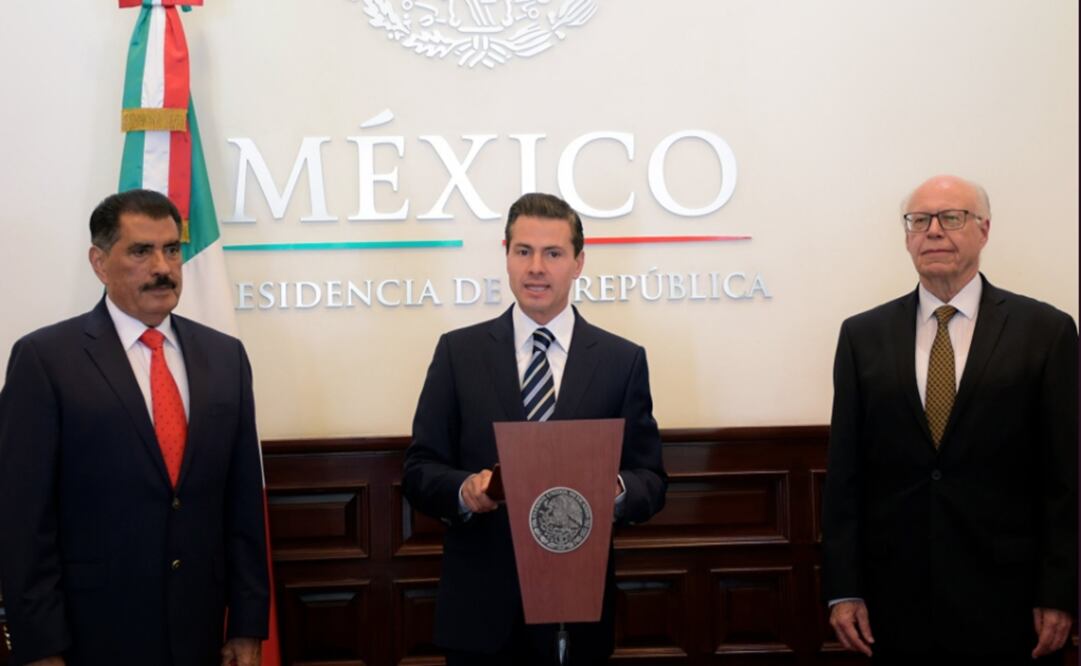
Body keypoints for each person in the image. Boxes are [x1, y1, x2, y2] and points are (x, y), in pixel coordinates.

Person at [0, 190, 269, 666]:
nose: (162, 267)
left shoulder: (226, 357)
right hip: (92, 635)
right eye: (141, 251)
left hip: (200, 631)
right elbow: (22, 518)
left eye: (171, 249)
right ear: (99, 263)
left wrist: (247, 626)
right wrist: (41, 647)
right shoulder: (45, 359)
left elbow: (242, 502)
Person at [821, 175, 1077, 664]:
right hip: (894, 598)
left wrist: (1060, 589)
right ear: (907, 236)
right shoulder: (862, 336)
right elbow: (845, 474)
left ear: (984, 230)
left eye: (951, 218)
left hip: (1010, 596)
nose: (933, 231)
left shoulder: (1046, 331)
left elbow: (1066, 477)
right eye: (919, 220)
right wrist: (843, 588)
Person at [402, 192, 667, 665]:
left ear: (578, 262)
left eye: (553, 253)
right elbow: (419, 470)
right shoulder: (458, 354)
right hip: (480, 616)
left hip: (577, 616)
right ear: (505, 254)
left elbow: (652, 480)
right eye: (523, 251)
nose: (536, 268)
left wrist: (615, 489)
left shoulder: (621, 362)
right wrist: (465, 490)